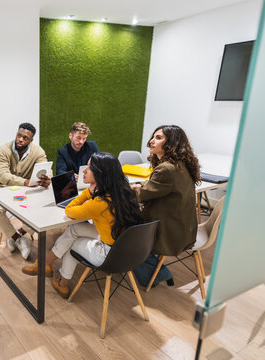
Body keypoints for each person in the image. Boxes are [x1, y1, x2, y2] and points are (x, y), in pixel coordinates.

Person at [22, 152, 142, 298]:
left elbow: (69, 210)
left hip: (110, 254)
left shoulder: (99, 203)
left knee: (73, 244)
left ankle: (62, 284)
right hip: (127, 246)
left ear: (100, 174)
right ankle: (45, 264)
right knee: (74, 229)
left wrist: (87, 192)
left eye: (90, 167)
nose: (84, 170)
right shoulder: (124, 191)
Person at [131, 125, 201, 286]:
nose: (151, 141)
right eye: (153, 137)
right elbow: (159, 189)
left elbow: (141, 196)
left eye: (158, 138)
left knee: (124, 233)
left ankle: (156, 274)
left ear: (172, 143)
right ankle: (153, 271)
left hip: (170, 233)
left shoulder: (166, 169)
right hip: (184, 228)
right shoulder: (180, 164)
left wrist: (127, 188)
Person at [0, 123, 51, 260]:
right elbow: (3, 176)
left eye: (25, 138)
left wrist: (48, 179)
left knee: (44, 208)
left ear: (31, 140)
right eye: (19, 135)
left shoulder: (38, 152)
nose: (21, 139)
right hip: (1, 187)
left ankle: (16, 235)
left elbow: (46, 169)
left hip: (26, 189)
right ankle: (18, 238)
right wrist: (25, 182)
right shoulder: (3, 150)